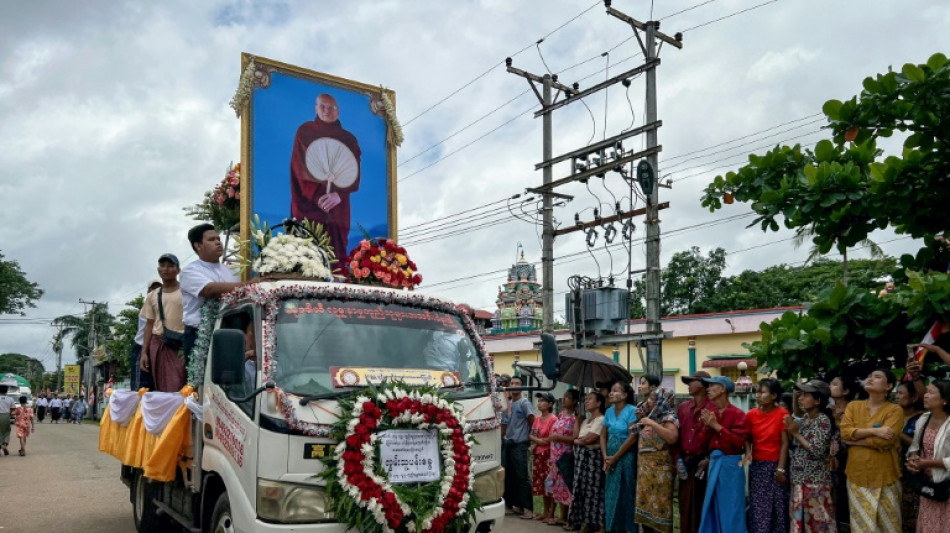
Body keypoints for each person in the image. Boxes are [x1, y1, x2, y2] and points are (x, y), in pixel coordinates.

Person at [289, 93, 362, 265]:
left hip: (337, 207)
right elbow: (298, 168)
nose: (327, 110)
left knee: (335, 254)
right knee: (307, 252)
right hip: (308, 203)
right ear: (315, 108)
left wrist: (339, 195)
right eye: (322, 106)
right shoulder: (305, 131)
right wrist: (316, 196)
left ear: (338, 112)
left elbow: (353, 173)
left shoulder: (349, 139)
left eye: (332, 107)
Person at [839, 369, 904, 532]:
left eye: (877, 377)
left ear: (889, 386)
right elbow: (844, 432)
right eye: (869, 376)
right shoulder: (853, 406)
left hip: (885, 475)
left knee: (889, 527)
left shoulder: (895, 410)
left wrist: (855, 441)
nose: (870, 378)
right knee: (862, 528)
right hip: (857, 474)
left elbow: (886, 440)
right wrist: (874, 431)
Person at [180, 224, 242, 361]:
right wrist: (248, 285)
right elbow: (210, 290)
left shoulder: (231, 271)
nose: (218, 242)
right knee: (199, 380)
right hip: (198, 333)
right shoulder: (189, 271)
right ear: (198, 245)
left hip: (228, 330)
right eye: (211, 239)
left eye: (218, 238)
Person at [697, 375, 749, 533]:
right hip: (714, 462)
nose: (708, 389)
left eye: (712, 386)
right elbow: (702, 443)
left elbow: (739, 443)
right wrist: (707, 427)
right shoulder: (709, 412)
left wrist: (716, 426)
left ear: (723, 389)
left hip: (730, 465)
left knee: (732, 507)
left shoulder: (738, 414)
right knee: (713, 505)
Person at [786, 379, 837, 533]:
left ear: (818, 400)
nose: (801, 398)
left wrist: (795, 433)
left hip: (815, 482)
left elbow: (817, 450)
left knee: (818, 525)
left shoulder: (822, 420)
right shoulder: (808, 418)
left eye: (806, 395)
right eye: (801, 395)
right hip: (801, 480)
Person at [744, 378, 790, 533]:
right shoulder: (751, 415)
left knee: (778, 506)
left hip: (776, 465)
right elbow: (747, 439)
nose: (758, 395)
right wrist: (749, 452)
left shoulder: (783, 414)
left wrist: (781, 469)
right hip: (758, 466)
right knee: (758, 507)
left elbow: (784, 443)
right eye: (757, 392)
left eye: (762, 392)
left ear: (774, 395)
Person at [634, 376, 679, 533]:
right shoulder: (647, 414)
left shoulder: (668, 417)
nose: (649, 402)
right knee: (645, 504)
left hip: (660, 469)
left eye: (654, 398)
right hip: (645, 469)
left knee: (660, 505)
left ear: (662, 400)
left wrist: (652, 423)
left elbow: (672, 437)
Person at [906, 380, 950, 530]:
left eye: (931, 393)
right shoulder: (924, 419)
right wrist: (913, 459)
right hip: (929, 486)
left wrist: (927, 463)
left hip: (946, 485)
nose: (925, 396)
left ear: (944, 400)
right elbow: (915, 446)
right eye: (926, 392)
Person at [140, 253, 186, 392]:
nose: (165, 269)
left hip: (181, 343)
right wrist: (144, 352)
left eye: (170, 266)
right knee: (162, 385)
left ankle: (180, 413)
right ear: (158, 269)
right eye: (162, 266)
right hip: (159, 342)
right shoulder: (152, 295)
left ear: (178, 270)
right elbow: (149, 324)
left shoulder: (186, 291)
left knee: (179, 383)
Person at [677, 371, 713, 533]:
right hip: (685, 460)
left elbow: (716, 436)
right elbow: (677, 435)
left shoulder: (713, 408)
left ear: (702, 384)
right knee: (685, 504)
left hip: (704, 462)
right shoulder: (683, 407)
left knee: (702, 503)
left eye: (692, 381)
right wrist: (677, 459)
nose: (689, 385)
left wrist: (709, 458)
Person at [601, 381, 638, 533]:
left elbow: (633, 436)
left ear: (624, 395)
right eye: (611, 390)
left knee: (626, 492)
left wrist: (615, 457)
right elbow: (603, 435)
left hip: (625, 456)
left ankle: (628, 528)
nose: (611, 393)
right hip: (609, 457)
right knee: (610, 492)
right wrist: (605, 457)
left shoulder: (632, 411)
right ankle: (612, 528)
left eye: (615, 390)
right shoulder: (609, 411)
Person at [568, 391, 607, 533]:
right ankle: (583, 521)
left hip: (593, 459)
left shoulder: (601, 419)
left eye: (590, 399)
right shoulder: (586, 420)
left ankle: (597, 523)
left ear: (599, 403)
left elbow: (590, 439)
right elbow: (576, 437)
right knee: (581, 490)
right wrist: (578, 420)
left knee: (594, 491)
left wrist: (578, 441)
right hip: (581, 459)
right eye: (585, 399)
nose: (587, 401)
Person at [546, 389, 582, 526]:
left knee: (566, 484)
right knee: (557, 485)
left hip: (565, 455)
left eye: (568, 398)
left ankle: (567, 516)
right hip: (554, 454)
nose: (564, 399)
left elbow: (575, 437)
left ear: (574, 401)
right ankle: (561, 516)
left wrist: (558, 437)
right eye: (564, 397)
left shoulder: (576, 417)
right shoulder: (561, 414)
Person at [503, 376, 535, 517]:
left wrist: (532, 440)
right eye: (512, 383)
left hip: (520, 444)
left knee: (522, 476)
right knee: (510, 476)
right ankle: (516, 505)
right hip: (508, 444)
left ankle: (528, 508)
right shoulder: (507, 404)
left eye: (517, 383)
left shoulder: (524, 403)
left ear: (522, 387)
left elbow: (532, 422)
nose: (514, 385)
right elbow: (504, 425)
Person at [896, 380, 925, 532]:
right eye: (896, 393)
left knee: (912, 513)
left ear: (914, 398)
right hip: (895, 470)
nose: (896, 396)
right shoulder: (894, 415)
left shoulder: (922, 418)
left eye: (901, 393)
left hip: (913, 471)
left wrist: (897, 433)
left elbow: (919, 444)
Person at [529, 392, 557, 521]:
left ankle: (551, 512)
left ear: (550, 404)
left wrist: (538, 441)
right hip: (538, 453)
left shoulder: (553, 419)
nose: (539, 403)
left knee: (549, 482)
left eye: (543, 401)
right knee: (541, 483)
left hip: (548, 454)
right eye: (539, 401)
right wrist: (538, 441)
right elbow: (531, 434)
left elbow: (550, 438)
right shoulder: (537, 418)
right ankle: (545, 512)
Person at [131, 280, 162, 389]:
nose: (155, 292)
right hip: (142, 348)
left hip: (157, 349)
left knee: (153, 386)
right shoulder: (147, 308)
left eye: (158, 289)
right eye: (152, 289)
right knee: (139, 387)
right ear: (148, 292)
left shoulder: (162, 306)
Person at [0, 385, 14, 456]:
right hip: (6, 416)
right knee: (6, 431)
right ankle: (4, 445)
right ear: (6, 391)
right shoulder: (10, 399)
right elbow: (12, 410)